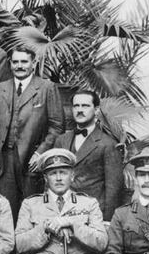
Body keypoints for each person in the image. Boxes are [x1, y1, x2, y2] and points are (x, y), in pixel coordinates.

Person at [0, 46, 64, 219]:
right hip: (4, 159)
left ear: (33, 64)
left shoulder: (46, 88)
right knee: (6, 210)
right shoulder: (0, 89)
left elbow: (57, 127)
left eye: (24, 62)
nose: (19, 66)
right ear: (10, 64)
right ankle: (9, 246)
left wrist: (40, 154)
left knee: (31, 211)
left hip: (31, 159)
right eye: (15, 62)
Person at [53, 90, 124, 221]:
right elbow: (50, 178)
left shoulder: (108, 144)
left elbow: (114, 190)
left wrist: (107, 221)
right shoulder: (61, 140)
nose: (79, 110)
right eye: (76, 106)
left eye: (85, 106)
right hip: (61, 214)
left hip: (92, 216)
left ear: (96, 110)